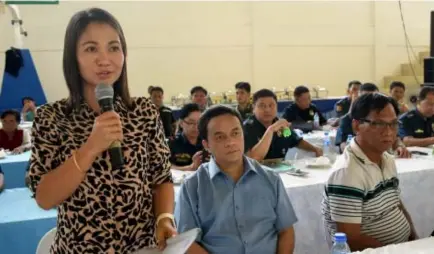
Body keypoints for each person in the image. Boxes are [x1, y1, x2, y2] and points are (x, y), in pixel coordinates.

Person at [28, 8, 176, 253]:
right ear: (73, 58)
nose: (105, 59)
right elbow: (44, 197)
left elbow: (161, 178)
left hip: (140, 247)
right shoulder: (51, 117)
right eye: (91, 48)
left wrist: (164, 219)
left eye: (114, 47)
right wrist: (91, 147)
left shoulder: (143, 111)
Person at [175, 105, 297, 254]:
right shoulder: (192, 186)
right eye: (220, 137)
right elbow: (187, 242)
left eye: (235, 133)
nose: (230, 142)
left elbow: (285, 231)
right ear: (206, 145)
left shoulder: (271, 179)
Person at [321, 93, 417, 251]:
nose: (389, 132)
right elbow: (351, 239)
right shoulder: (347, 172)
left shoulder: (386, 158)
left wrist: (413, 238)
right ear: (357, 126)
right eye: (379, 124)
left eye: (393, 124)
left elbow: (396, 204)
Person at [244, 89, 322, 161]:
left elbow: (296, 141)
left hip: (281, 170)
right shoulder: (247, 128)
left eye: (271, 105)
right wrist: (271, 130)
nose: (267, 110)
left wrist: (315, 149)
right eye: (262, 106)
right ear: (253, 108)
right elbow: (253, 158)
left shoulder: (281, 125)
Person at [335, 83, 410, 158]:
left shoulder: (388, 116)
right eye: (378, 124)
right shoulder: (347, 119)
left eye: (375, 99)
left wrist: (400, 147)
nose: (372, 104)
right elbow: (343, 144)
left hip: (384, 157)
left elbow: (395, 138)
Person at [169, 103, 206, 171]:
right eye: (191, 122)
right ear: (181, 123)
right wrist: (190, 167)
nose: (196, 127)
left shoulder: (206, 141)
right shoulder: (172, 143)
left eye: (199, 122)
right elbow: (166, 167)